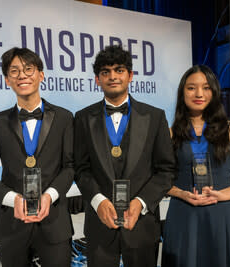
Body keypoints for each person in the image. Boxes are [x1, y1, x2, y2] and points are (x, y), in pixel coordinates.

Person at [74, 45, 176, 267]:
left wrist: (141, 202)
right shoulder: (82, 118)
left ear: (130, 76)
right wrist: (98, 201)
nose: (112, 76)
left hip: (142, 224)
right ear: (97, 80)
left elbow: (166, 170)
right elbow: (80, 169)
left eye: (119, 70)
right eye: (105, 72)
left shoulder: (155, 117)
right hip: (100, 224)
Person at [0, 47, 74, 267]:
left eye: (28, 69)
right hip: (12, 223)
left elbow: (70, 167)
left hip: (54, 223)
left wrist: (49, 196)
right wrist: (13, 199)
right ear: (7, 80)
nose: (22, 75)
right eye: (15, 71)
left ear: (41, 74)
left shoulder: (65, 118)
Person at [161, 65, 230, 267]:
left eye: (206, 87)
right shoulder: (168, 133)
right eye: (191, 88)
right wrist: (181, 193)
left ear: (214, 92)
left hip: (222, 214)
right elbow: (158, 180)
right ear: (182, 93)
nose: (199, 93)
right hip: (184, 213)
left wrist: (223, 194)